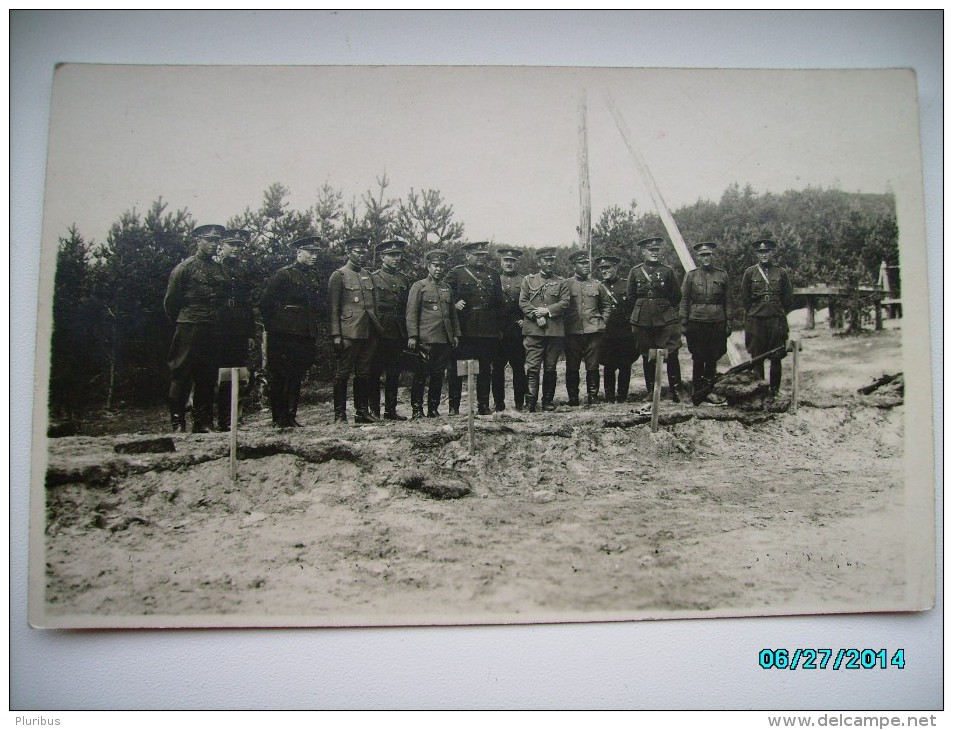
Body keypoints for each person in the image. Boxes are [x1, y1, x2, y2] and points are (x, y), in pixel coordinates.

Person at [164, 224, 230, 433]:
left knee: (208, 375)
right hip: (189, 325)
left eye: (216, 241)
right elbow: (171, 301)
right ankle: (178, 422)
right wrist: (185, 320)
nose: (213, 244)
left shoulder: (220, 269)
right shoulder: (185, 268)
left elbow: (223, 299)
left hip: (212, 327)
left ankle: (203, 422)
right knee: (181, 373)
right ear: (198, 241)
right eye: (208, 240)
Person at [260, 237, 324, 428]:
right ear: (298, 253)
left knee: (297, 373)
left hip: (305, 331)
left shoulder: (313, 276)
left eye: (316, 253)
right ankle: (278, 417)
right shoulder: (284, 275)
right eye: (310, 252)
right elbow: (265, 303)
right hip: (284, 333)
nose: (314, 256)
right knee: (280, 374)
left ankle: (291, 415)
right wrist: (276, 328)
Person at [444, 241, 502, 415]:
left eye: (483, 255)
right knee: (457, 368)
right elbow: (443, 292)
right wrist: (453, 304)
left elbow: (498, 303)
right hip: (465, 328)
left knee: (485, 369)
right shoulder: (457, 273)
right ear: (467, 256)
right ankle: (454, 407)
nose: (480, 258)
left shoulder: (493, 275)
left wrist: (497, 328)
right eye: (477, 255)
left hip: (487, 329)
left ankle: (483, 405)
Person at [627, 236, 685, 402]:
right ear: (643, 252)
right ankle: (651, 390)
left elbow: (676, 295)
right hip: (642, 319)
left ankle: (676, 389)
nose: (654, 253)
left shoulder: (667, 271)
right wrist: (643, 309)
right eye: (650, 251)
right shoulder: (635, 271)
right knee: (647, 354)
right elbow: (631, 297)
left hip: (665, 318)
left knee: (671, 352)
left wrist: (662, 307)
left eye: (656, 250)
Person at [329, 236, 380, 423]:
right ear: (348, 252)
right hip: (349, 332)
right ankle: (339, 414)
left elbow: (373, 306)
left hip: (368, 331)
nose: (361, 255)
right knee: (342, 373)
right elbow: (333, 308)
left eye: (364, 252)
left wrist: (376, 329)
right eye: (357, 252)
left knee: (363, 373)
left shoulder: (368, 275)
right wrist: (336, 334)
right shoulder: (339, 275)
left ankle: (361, 412)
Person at [406, 249, 460, 418]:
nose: (438, 269)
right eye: (435, 265)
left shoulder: (446, 288)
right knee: (421, 375)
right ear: (428, 266)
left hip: (443, 340)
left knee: (438, 376)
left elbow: (452, 315)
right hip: (425, 339)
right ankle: (416, 410)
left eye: (441, 266)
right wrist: (413, 336)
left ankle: (433, 409)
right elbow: (411, 313)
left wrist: (456, 334)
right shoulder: (419, 286)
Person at [741, 238, 794, 401]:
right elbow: (745, 298)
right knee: (757, 357)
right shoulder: (750, 272)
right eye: (761, 252)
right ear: (757, 254)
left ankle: (774, 390)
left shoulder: (781, 273)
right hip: (756, 320)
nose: (764, 255)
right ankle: (759, 391)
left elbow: (788, 299)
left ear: (772, 253)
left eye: (767, 252)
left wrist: (777, 311)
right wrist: (755, 312)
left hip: (775, 319)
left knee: (776, 356)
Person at [519, 247, 570, 412]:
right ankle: (531, 403)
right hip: (534, 331)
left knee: (550, 367)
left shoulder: (562, 282)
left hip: (554, 331)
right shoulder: (528, 280)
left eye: (552, 260)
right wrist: (536, 315)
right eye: (546, 260)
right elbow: (523, 302)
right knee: (533, 367)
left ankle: (547, 401)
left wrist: (547, 311)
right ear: (539, 262)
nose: (549, 263)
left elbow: (565, 302)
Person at [680, 242, 731, 406]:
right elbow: (685, 300)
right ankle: (697, 391)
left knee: (713, 356)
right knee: (698, 356)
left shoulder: (722, 275)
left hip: (717, 321)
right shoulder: (691, 276)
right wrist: (684, 322)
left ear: (712, 255)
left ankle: (710, 391)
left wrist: (729, 323)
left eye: (708, 254)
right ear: (698, 257)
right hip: (697, 322)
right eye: (702, 255)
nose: (705, 258)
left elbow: (728, 302)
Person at [215, 229, 256, 430]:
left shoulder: (243, 271)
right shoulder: (215, 268)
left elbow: (248, 304)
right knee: (219, 374)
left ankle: (233, 418)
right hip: (219, 327)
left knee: (239, 374)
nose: (236, 249)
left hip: (239, 328)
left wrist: (250, 333)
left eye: (240, 245)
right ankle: (219, 420)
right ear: (222, 245)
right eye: (232, 244)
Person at [563, 250, 612, 405]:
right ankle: (573, 397)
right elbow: (561, 307)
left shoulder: (597, 285)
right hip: (573, 331)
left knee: (593, 364)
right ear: (574, 265)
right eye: (582, 263)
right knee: (572, 365)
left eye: (587, 263)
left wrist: (602, 322)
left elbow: (606, 305)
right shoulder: (566, 284)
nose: (586, 266)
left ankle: (593, 395)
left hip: (593, 331)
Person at [369, 240, 411, 420]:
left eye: (398, 255)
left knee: (394, 372)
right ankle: (374, 410)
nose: (396, 258)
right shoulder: (373, 277)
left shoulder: (403, 279)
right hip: (379, 330)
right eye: (391, 255)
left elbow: (406, 307)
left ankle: (391, 410)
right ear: (382, 257)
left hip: (398, 331)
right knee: (375, 371)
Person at [596, 255, 638, 403]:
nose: (603, 271)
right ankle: (609, 396)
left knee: (625, 365)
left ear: (615, 268)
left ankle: (622, 396)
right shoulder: (599, 287)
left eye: (607, 268)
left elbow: (634, 306)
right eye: (601, 269)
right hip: (607, 332)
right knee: (608, 364)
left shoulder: (627, 285)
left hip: (625, 332)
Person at [490, 247, 527, 411]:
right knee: (497, 368)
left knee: (518, 367)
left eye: (512, 261)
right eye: (506, 260)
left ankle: (520, 402)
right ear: (501, 261)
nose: (509, 263)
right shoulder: (494, 279)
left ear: (516, 262)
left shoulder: (524, 281)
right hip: (498, 330)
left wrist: (525, 320)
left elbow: (530, 303)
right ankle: (499, 403)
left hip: (516, 330)